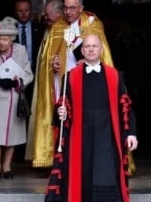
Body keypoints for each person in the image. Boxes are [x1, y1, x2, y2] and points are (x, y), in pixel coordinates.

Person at [45, 34, 138, 202]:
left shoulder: (115, 75)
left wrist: (131, 133)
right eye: (87, 46)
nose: (91, 49)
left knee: (107, 174)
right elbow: (62, 107)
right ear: (82, 51)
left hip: (107, 134)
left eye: (95, 46)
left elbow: (126, 106)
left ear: (101, 50)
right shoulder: (70, 76)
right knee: (83, 174)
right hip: (81, 135)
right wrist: (62, 113)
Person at [32, 0, 115, 168]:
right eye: (66, 8)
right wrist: (53, 63)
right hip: (64, 82)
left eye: (72, 8)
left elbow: (103, 54)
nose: (68, 12)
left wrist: (88, 61)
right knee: (64, 118)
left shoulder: (92, 24)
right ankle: (63, 159)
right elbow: (49, 56)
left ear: (81, 8)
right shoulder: (58, 26)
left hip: (87, 81)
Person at [0, 16, 34, 180]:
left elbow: (29, 74)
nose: (1, 43)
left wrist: (19, 82)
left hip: (14, 97)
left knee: (12, 134)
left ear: (11, 39)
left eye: (5, 39)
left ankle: (7, 166)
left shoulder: (21, 50)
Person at [25, 0, 64, 165]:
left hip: (57, 85)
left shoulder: (63, 30)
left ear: (59, 13)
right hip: (44, 84)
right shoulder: (49, 28)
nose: (44, 17)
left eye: (47, 14)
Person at [13, 0, 45, 162]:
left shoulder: (40, 29)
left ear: (31, 11)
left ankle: (31, 151)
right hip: (15, 76)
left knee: (32, 112)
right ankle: (17, 152)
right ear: (15, 11)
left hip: (36, 76)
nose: (24, 14)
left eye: (26, 10)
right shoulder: (10, 30)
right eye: (20, 10)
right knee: (16, 114)